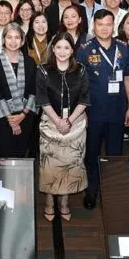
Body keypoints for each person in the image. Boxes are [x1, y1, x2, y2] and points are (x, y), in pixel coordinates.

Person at [77, 11, 129, 209]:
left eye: (108, 24)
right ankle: (91, 189)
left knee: (114, 153)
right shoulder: (85, 50)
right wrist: (81, 111)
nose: (104, 28)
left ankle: (111, 190)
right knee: (92, 152)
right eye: (100, 24)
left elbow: (128, 78)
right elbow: (78, 83)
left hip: (118, 111)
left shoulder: (123, 48)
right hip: (93, 112)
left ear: (114, 25)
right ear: (94, 26)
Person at [37, 33, 89, 221]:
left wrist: (69, 121)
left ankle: (65, 202)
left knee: (71, 165)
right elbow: (42, 99)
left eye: (66, 47)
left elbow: (85, 99)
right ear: (53, 49)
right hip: (51, 124)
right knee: (50, 167)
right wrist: (58, 121)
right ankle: (50, 201)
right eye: (58, 47)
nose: (62, 51)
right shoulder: (43, 70)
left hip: (75, 124)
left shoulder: (81, 70)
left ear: (72, 50)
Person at [0, 23, 38, 158]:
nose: (13, 41)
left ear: (22, 40)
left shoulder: (30, 62)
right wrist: (11, 119)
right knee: (5, 155)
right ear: (3, 40)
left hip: (26, 118)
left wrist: (22, 115)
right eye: (9, 37)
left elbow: (35, 90)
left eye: (17, 38)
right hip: (3, 120)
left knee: (22, 154)